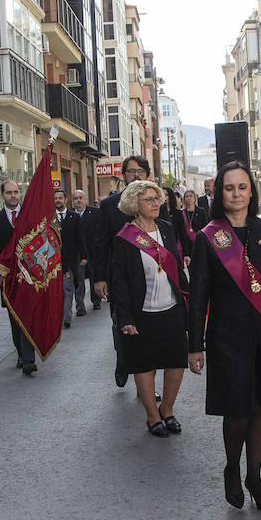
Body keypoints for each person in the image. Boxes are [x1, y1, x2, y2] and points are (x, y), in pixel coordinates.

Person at [187, 162, 261, 511]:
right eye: (229, 188)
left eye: (242, 187)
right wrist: (195, 345)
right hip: (227, 335)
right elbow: (200, 295)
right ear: (218, 194)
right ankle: (232, 467)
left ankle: (255, 476)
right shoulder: (209, 238)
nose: (236, 194)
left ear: (251, 192)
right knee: (238, 408)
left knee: (260, 405)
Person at [107, 180, 188, 437]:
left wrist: (190, 299)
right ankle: (152, 417)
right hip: (142, 312)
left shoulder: (166, 228)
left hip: (172, 307)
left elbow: (176, 266)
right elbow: (118, 282)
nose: (155, 203)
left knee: (176, 362)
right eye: (148, 199)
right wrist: (125, 317)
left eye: (157, 198)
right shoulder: (124, 238)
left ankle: (168, 409)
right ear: (134, 205)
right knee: (143, 365)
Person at [91, 156, 153, 388]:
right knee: (121, 326)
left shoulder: (157, 203)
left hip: (150, 278)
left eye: (140, 171)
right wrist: (99, 278)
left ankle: (145, 383)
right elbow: (101, 244)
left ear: (147, 174)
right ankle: (123, 360)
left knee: (148, 330)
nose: (136, 175)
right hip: (119, 280)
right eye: (130, 171)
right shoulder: (109, 206)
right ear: (123, 175)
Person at [0, 179, 37, 375]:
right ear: (2, 195)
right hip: (9, 279)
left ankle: (29, 359)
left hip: (31, 278)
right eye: (9, 193)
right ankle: (21, 352)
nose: (13, 195)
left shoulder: (30, 216)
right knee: (15, 319)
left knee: (28, 316)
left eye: (16, 192)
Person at [54, 189, 87, 328]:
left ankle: (79, 305)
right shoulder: (50, 218)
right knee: (66, 288)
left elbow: (81, 238)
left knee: (77, 283)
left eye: (60, 198)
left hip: (74, 257)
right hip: (56, 259)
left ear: (66, 200)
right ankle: (65, 317)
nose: (58, 201)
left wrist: (84, 256)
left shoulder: (74, 217)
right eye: (55, 198)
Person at [74, 189, 102, 311]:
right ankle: (80, 306)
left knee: (93, 276)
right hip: (78, 253)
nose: (78, 200)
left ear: (85, 199)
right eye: (75, 198)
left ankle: (96, 300)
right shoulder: (70, 215)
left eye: (80, 197)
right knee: (79, 280)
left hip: (93, 251)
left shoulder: (95, 213)